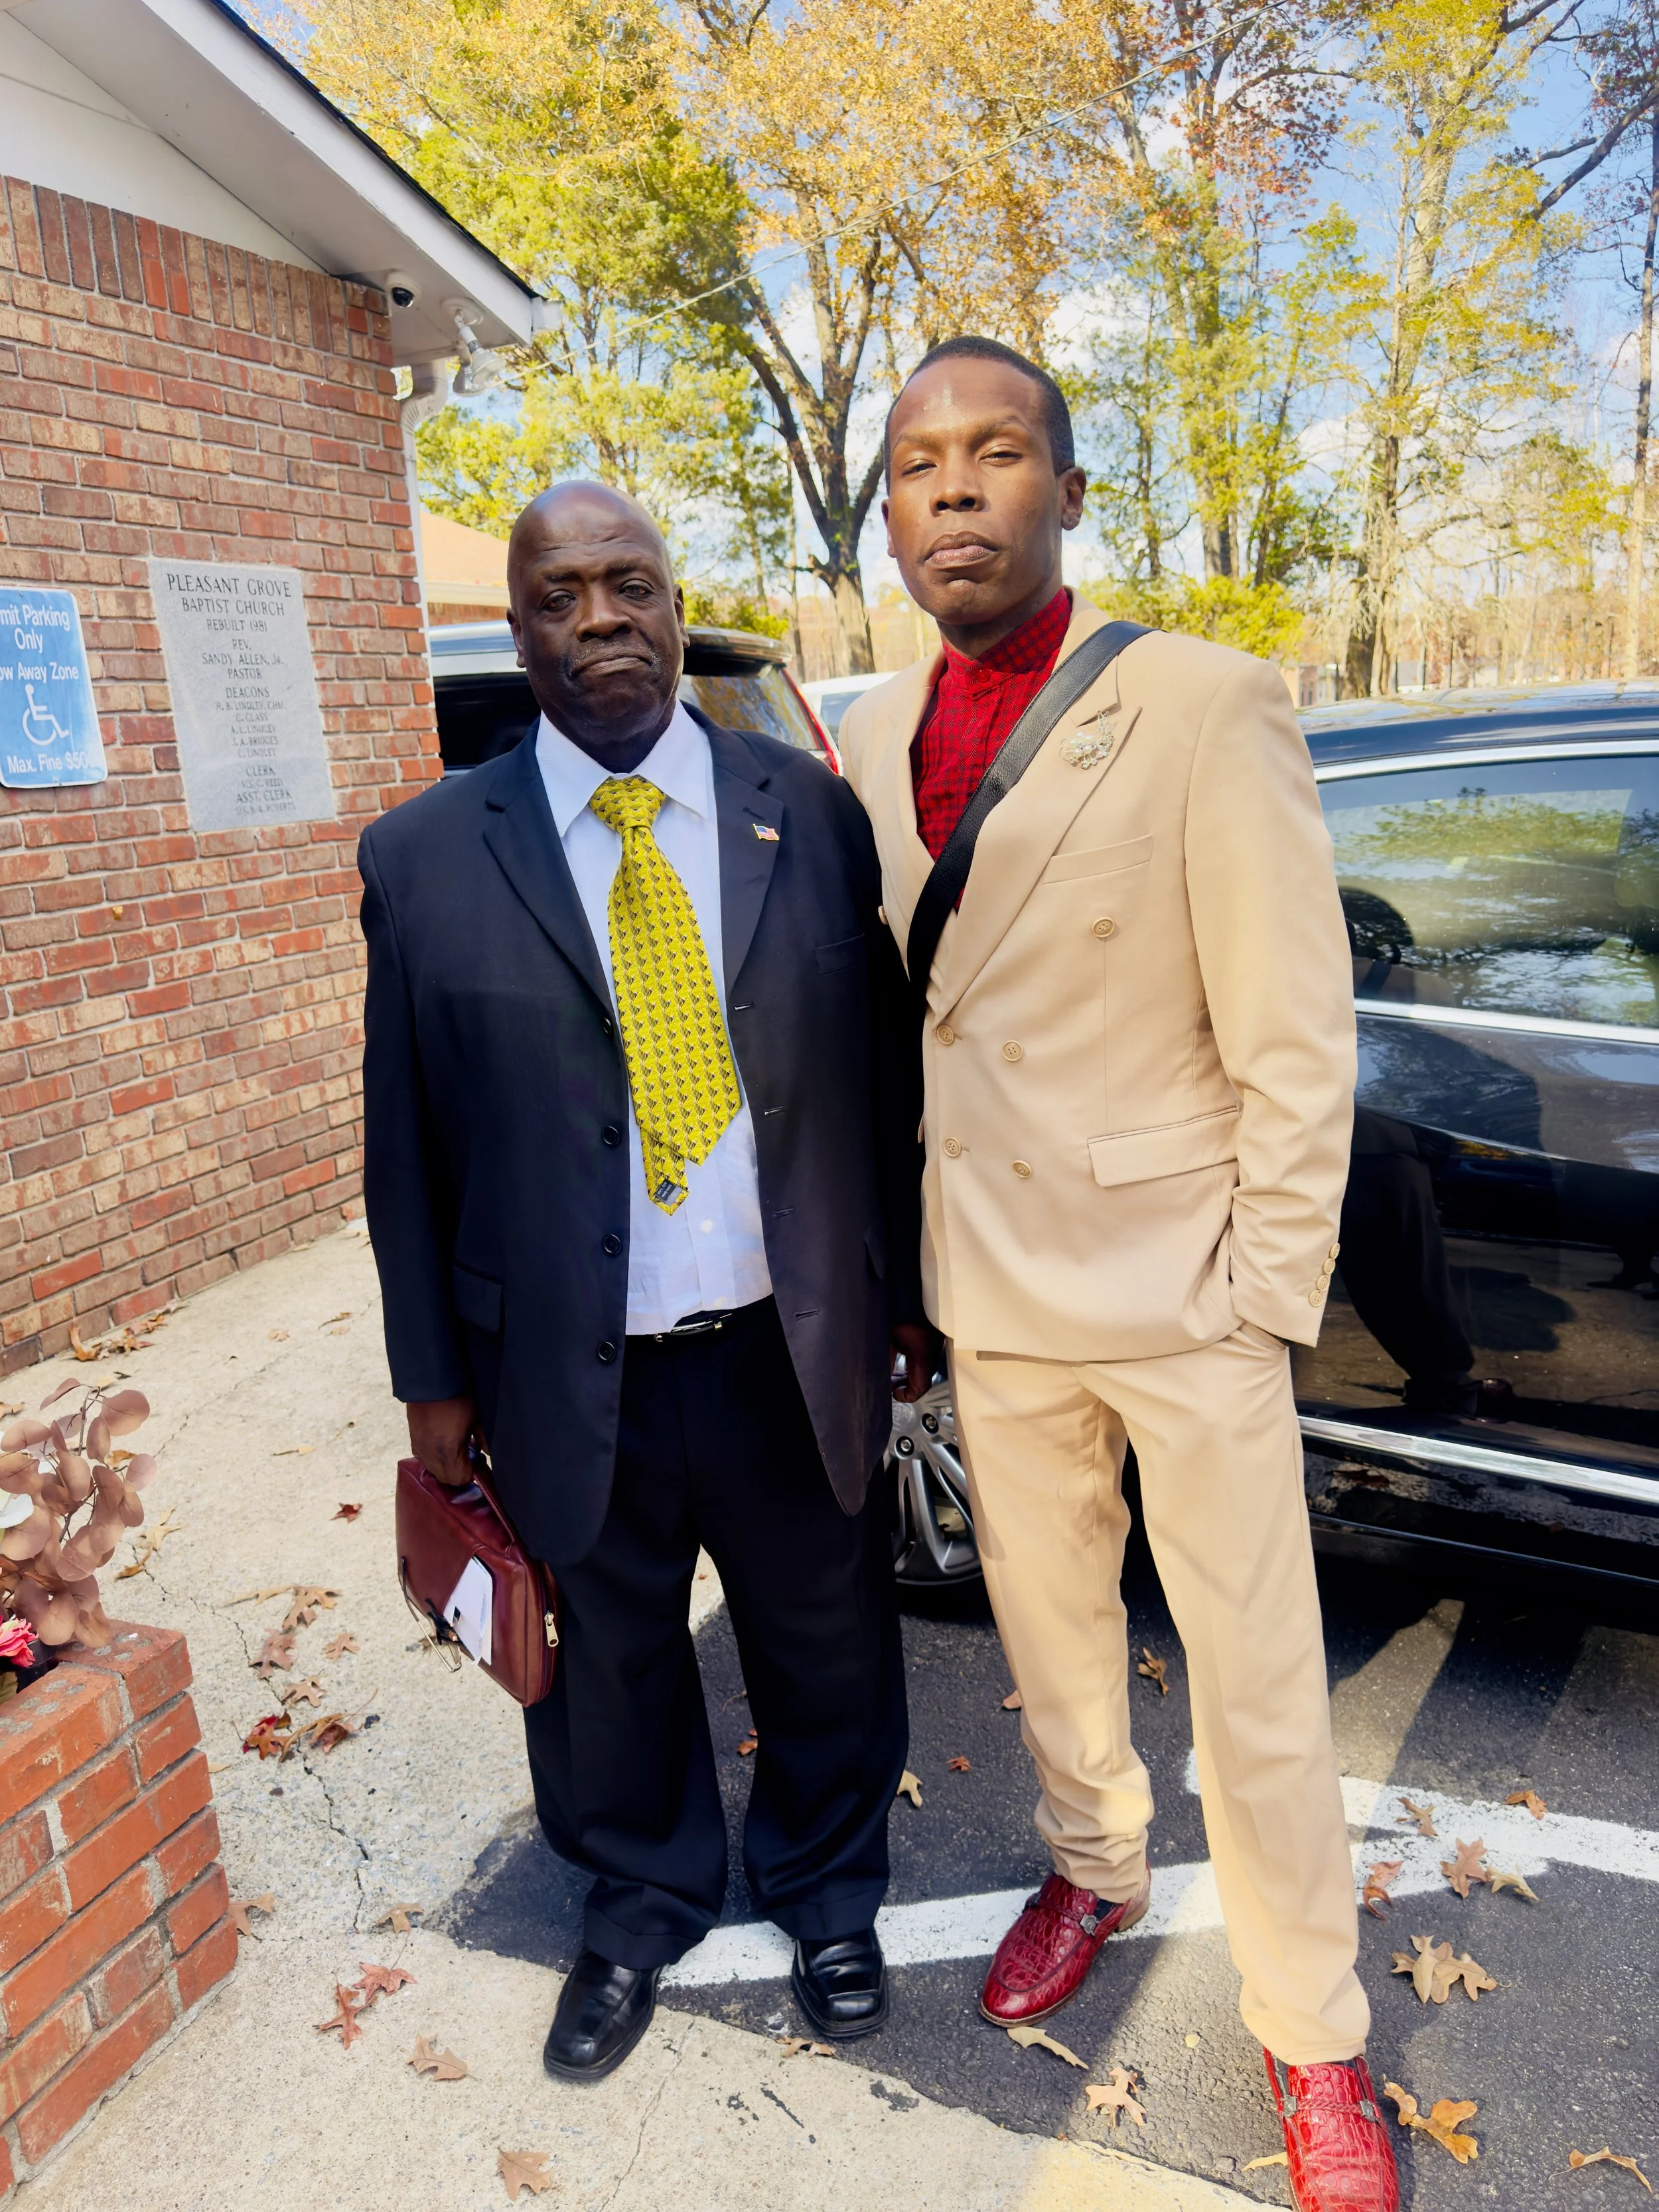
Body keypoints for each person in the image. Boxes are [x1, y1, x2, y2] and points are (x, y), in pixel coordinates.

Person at [837, 336, 1398, 2212]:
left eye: (998, 453)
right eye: (918, 464)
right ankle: (1092, 1863)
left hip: (1182, 1286)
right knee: (1055, 1640)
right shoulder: (858, 739)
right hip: (989, 1292)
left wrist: (1264, 1288)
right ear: (889, 513)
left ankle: (1310, 2034)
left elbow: (1295, 1037)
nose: (956, 489)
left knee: (1257, 1683)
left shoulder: (1198, 702)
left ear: (1069, 491)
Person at [358, 482, 930, 2082]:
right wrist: (432, 1387)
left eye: (630, 583)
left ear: (675, 601)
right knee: (604, 1661)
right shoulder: (420, 856)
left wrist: (904, 1296)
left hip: (780, 1342)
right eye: (558, 594)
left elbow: (875, 1082)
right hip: (558, 1357)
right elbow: (401, 1146)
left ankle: (827, 1890)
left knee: (825, 1637)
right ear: (517, 628)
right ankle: (639, 1898)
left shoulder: (803, 815)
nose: (599, 616)